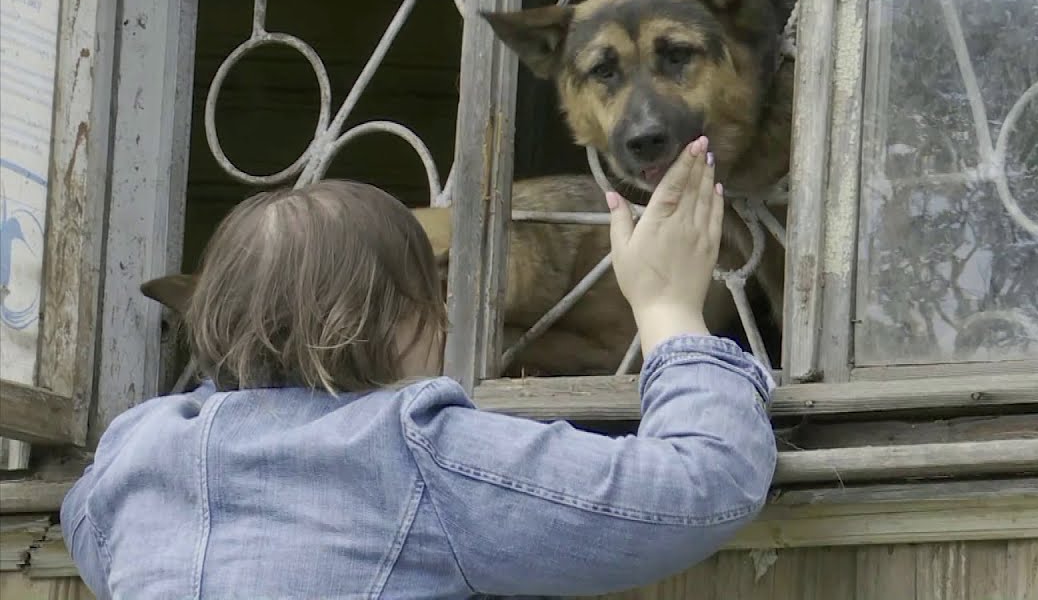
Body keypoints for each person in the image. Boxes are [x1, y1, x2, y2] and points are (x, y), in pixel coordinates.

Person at [60, 135, 778, 599]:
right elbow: (700, 488)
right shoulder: (416, 450)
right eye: (435, 293)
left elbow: (90, 530)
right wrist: (667, 311)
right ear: (402, 315)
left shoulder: (138, 448)